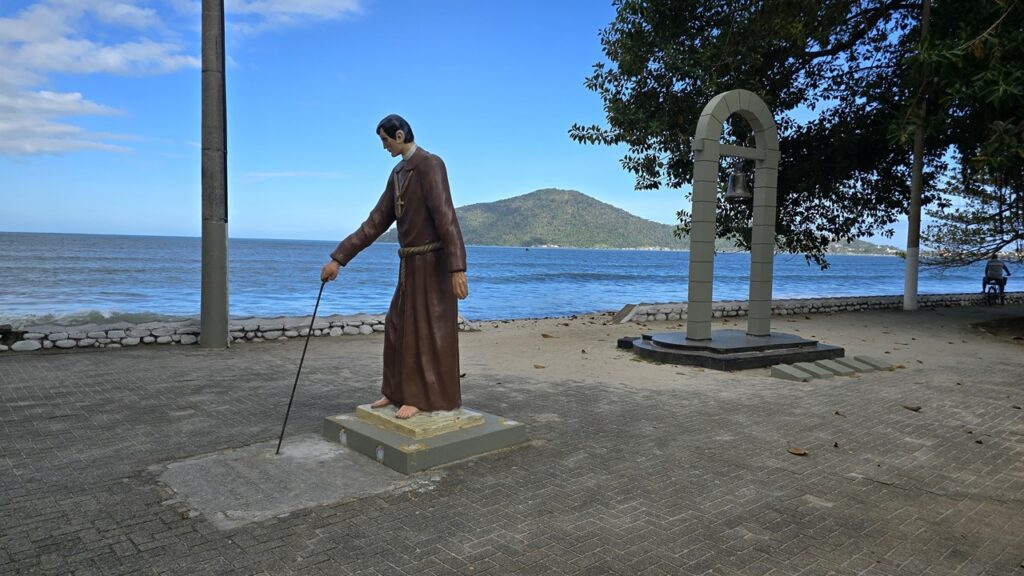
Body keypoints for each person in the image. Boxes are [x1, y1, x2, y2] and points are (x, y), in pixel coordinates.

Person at [321, 114, 469, 419]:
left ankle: (418, 397)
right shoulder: (398, 173)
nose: (384, 146)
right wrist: (339, 259)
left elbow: (446, 219)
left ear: (399, 135)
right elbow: (375, 222)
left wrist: (457, 269)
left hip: (433, 265)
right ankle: (394, 391)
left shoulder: (431, 165)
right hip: (409, 265)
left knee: (424, 333)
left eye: (385, 140)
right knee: (396, 327)